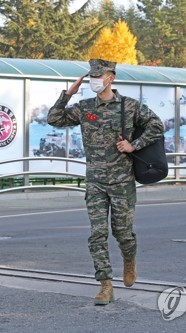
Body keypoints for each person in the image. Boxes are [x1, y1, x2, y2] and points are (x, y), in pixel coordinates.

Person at [47, 59, 164, 305]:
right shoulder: (85, 106)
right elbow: (54, 119)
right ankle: (105, 285)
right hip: (95, 181)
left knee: (122, 233)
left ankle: (129, 259)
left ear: (111, 77)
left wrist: (134, 145)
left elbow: (156, 125)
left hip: (122, 181)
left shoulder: (129, 106)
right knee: (97, 234)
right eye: (91, 77)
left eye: (98, 76)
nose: (94, 81)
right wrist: (67, 94)